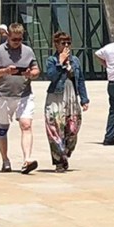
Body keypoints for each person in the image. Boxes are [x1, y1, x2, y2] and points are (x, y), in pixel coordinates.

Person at [0, 23, 40, 174]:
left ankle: (27, 159)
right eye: (14, 39)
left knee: (26, 125)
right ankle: (5, 159)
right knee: (3, 129)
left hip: (24, 95)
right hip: (4, 96)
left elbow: (36, 70)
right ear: (8, 36)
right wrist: (4, 71)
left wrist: (31, 73)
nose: (17, 42)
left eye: (20, 39)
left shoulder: (28, 51)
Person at [43, 31, 90, 171]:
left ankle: (65, 153)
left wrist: (84, 98)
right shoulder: (51, 60)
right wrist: (60, 62)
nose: (66, 46)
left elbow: (80, 79)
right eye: (63, 43)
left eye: (68, 43)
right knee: (55, 129)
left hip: (71, 97)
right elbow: (51, 76)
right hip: (56, 97)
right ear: (56, 44)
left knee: (72, 129)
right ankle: (59, 161)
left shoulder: (75, 61)